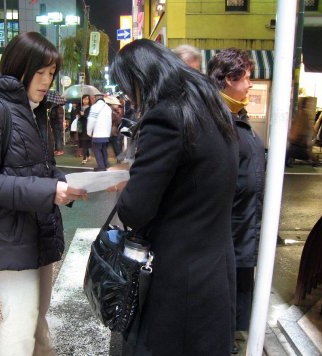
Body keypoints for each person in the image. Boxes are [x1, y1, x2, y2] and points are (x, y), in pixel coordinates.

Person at [111, 39, 239, 355]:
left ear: (141, 79)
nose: (131, 98)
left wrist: (131, 181)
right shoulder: (212, 106)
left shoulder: (167, 116)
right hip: (215, 267)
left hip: (179, 278)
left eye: (129, 89)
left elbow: (135, 210)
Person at [0, 32, 87, 356]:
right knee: (21, 320)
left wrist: (69, 186)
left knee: (35, 320)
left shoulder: (36, 112)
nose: (47, 81)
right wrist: (49, 189)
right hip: (7, 236)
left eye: (51, 74)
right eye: (41, 72)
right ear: (20, 67)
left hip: (38, 232)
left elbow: (42, 170)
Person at [207, 47, 265, 354]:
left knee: (241, 304)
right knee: (227, 308)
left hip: (244, 231)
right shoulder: (216, 119)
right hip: (228, 235)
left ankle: (235, 344)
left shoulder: (236, 115)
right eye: (247, 77)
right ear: (229, 79)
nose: (250, 84)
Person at [86, 94, 112, 171]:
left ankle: (101, 166)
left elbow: (91, 121)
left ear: (95, 99)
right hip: (106, 134)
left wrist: (89, 132)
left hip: (98, 133)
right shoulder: (108, 108)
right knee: (103, 149)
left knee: (97, 150)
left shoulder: (94, 107)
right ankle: (106, 164)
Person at [78, 94, 92, 164]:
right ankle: (88, 154)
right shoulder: (80, 107)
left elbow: (90, 117)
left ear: (89, 100)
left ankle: (84, 158)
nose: (85, 100)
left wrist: (84, 115)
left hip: (87, 127)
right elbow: (77, 115)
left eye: (87, 99)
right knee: (84, 142)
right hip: (81, 128)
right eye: (84, 99)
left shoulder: (91, 108)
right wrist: (79, 115)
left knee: (85, 142)